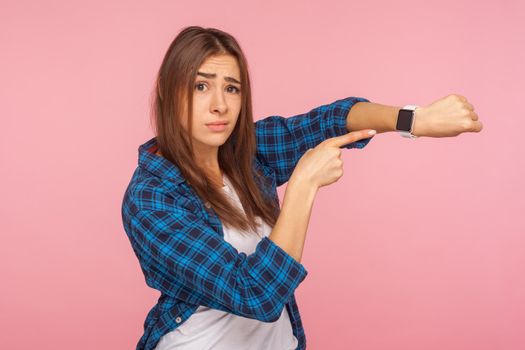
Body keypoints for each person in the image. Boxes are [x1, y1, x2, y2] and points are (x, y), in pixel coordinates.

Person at [121, 26, 483, 350]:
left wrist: (415, 119)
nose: (219, 105)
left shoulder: (248, 153)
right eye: (201, 86)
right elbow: (256, 293)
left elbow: (330, 119)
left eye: (231, 88)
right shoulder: (151, 197)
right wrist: (304, 185)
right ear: (169, 93)